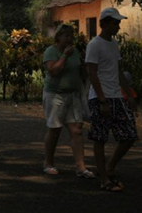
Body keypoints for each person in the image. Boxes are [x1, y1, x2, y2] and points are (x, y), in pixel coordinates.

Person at [85, 7, 138, 192]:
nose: (118, 26)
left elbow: (118, 70)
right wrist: (102, 100)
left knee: (129, 134)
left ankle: (110, 167)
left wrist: (129, 95)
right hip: (101, 97)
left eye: (119, 22)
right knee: (100, 138)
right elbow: (92, 73)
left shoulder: (113, 44)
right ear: (105, 23)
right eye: (115, 22)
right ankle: (104, 179)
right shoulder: (94, 44)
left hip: (116, 96)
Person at [42, 23, 94, 178]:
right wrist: (64, 55)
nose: (70, 39)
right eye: (66, 36)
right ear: (58, 37)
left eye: (72, 36)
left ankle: (81, 167)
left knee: (77, 130)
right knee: (55, 129)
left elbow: (80, 72)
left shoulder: (76, 51)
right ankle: (48, 163)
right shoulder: (51, 52)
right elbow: (54, 71)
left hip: (73, 95)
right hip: (55, 96)